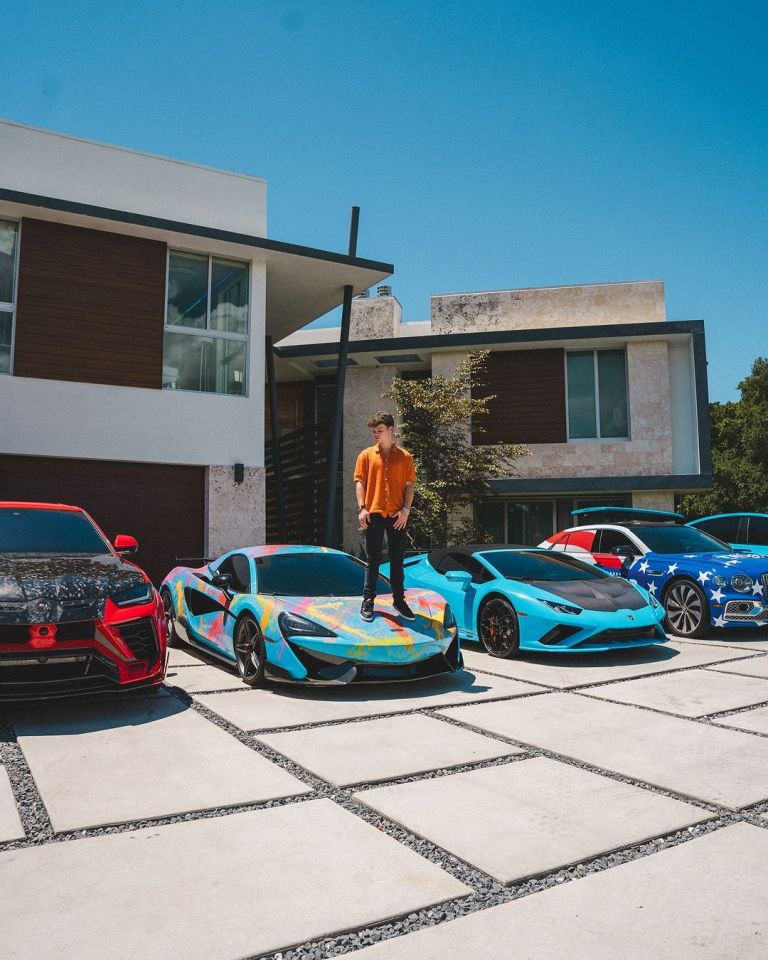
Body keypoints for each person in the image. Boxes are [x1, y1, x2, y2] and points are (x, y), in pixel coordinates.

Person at [354, 411, 416, 622]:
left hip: (398, 514)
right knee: (373, 559)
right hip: (374, 512)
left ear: (391, 430)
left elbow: (409, 486)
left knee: (397, 559)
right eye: (374, 432)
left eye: (379, 431)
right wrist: (362, 508)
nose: (376, 435)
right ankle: (368, 600)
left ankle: (399, 601)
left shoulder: (405, 457)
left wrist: (406, 511)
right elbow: (360, 482)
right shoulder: (366, 455)